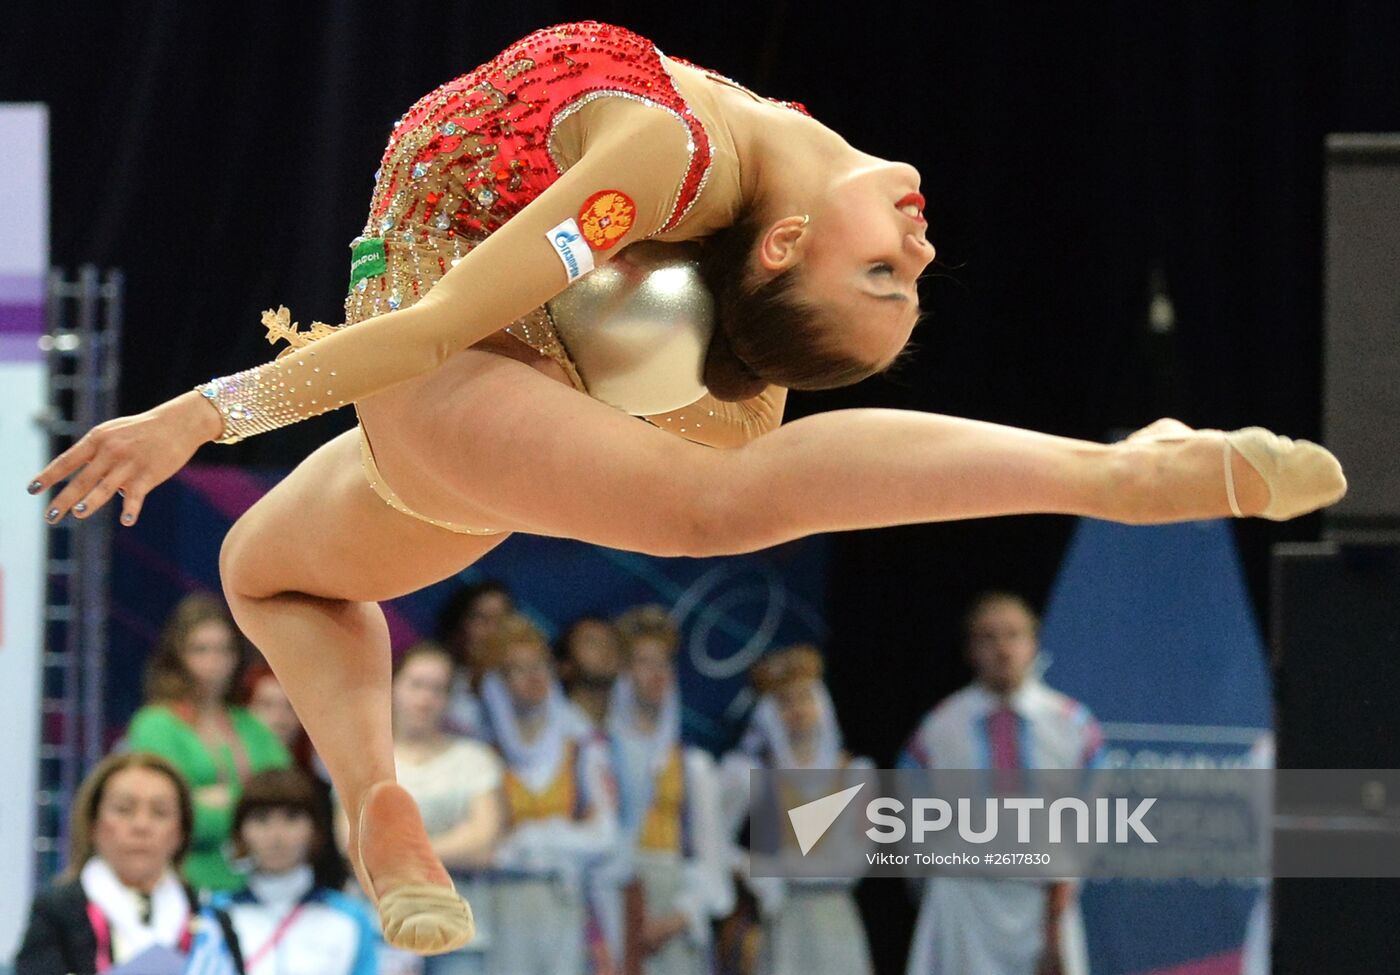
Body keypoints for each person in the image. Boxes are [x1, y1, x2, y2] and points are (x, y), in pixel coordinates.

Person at [27, 19, 1345, 953]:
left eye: (890, 276)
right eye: (904, 275)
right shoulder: (783, 164)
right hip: (513, 375)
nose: (922, 246)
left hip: (461, 356)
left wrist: (198, 412)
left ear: (781, 247)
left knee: (721, 500)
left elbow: (435, 332)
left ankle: (1120, 473)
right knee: (263, 568)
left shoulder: (665, 166)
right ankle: (376, 794)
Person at [898, 592, 1101, 975]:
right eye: (988, 638)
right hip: (964, 902)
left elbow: (1092, 819)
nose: (1002, 649)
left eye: (1013, 635)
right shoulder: (939, 728)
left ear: (1034, 643)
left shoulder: (1073, 724)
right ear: (970, 649)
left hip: (1043, 901)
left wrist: (1060, 898)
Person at [477, 613, 619, 975]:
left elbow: (606, 836)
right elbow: (487, 849)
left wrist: (532, 836)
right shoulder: (483, 754)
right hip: (503, 904)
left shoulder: (581, 748)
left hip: (565, 898)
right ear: (498, 681)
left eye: (539, 665)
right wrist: (568, 836)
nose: (534, 677)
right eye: (518, 669)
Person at [721, 644, 876, 975]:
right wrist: (748, 868)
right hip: (780, 917)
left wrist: (773, 866)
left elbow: (851, 864)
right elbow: (711, 843)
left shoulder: (854, 773)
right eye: (785, 701)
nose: (797, 709)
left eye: (805, 697)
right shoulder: (751, 773)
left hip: (834, 916)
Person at [597, 605, 732, 974]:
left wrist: (679, 916)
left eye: (663, 662)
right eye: (643, 662)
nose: (656, 673)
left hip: (672, 904)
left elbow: (711, 857)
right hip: (611, 898)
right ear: (623, 672)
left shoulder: (692, 765)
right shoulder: (598, 754)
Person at [126, 594, 291, 893]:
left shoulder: (251, 725)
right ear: (177, 657)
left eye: (224, 649)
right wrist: (250, 809)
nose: (214, 661)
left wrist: (215, 799)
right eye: (200, 650)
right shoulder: (155, 724)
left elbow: (287, 797)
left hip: (260, 890)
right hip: (181, 886)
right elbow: (171, 818)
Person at [15, 752, 199, 974]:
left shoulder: (206, 916)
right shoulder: (57, 912)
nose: (141, 826)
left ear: (181, 832)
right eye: (123, 809)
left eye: (160, 812)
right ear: (93, 824)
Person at [185, 768, 378, 975]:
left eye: (292, 818)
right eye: (261, 819)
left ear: (316, 830)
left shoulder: (352, 918)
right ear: (239, 833)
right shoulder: (214, 915)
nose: (276, 836)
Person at [390, 641, 506, 975]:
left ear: (450, 698)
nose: (425, 698)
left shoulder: (475, 759)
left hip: (460, 931)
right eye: (416, 685)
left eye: (438, 689)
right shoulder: (368, 759)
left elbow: (485, 846)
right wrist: (455, 842)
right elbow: (353, 845)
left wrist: (400, 854)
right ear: (394, 686)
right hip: (385, 926)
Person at [436, 580, 514, 738]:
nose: (492, 631)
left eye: (501, 621)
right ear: (460, 623)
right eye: (481, 618)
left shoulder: (525, 677)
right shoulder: (440, 673)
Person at [558, 614, 625, 729]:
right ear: (566, 665)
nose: (605, 650)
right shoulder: (548, 728)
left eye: (611, 642)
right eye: (591, 643)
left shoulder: (630, 727)